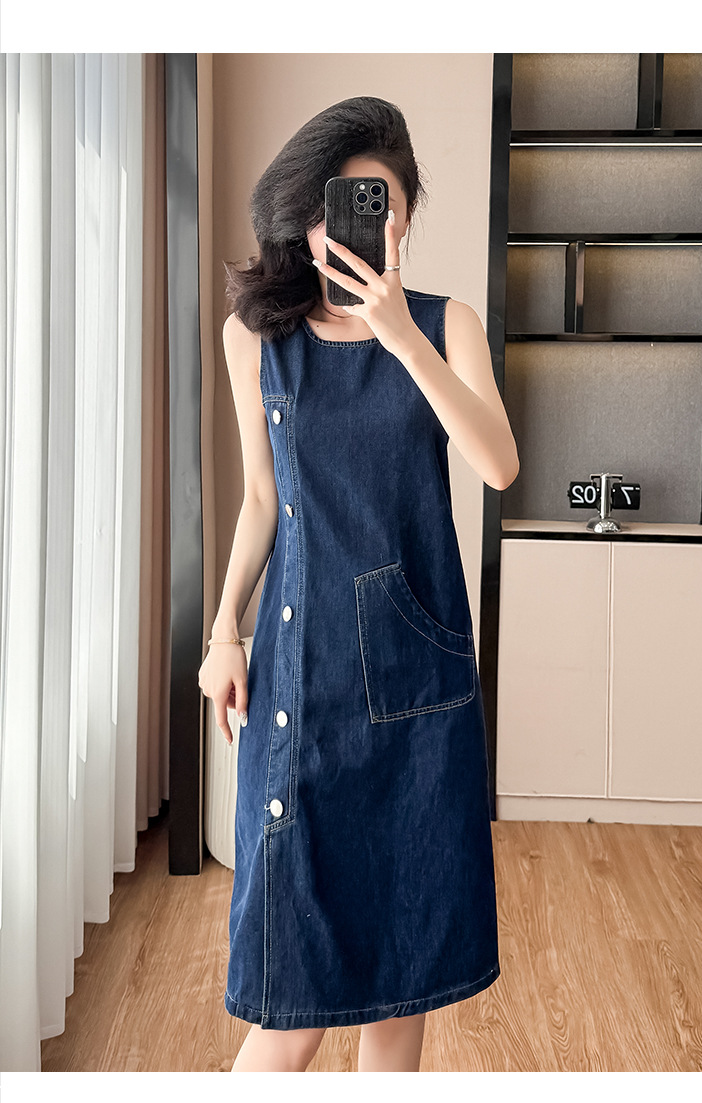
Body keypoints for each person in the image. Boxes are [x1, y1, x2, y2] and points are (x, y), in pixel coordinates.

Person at [198, 95, 519, 1074]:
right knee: (289, 1004)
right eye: (338, 203)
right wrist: (223, 631)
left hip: (418, 692)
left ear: (405, 216)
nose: (355, 223)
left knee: (400, 987)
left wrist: (401, 337)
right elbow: (262, 499)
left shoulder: (447, 325)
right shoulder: (255, 336)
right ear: (306, 216)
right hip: (298, 683)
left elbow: (499, 464)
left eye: (379, 202)